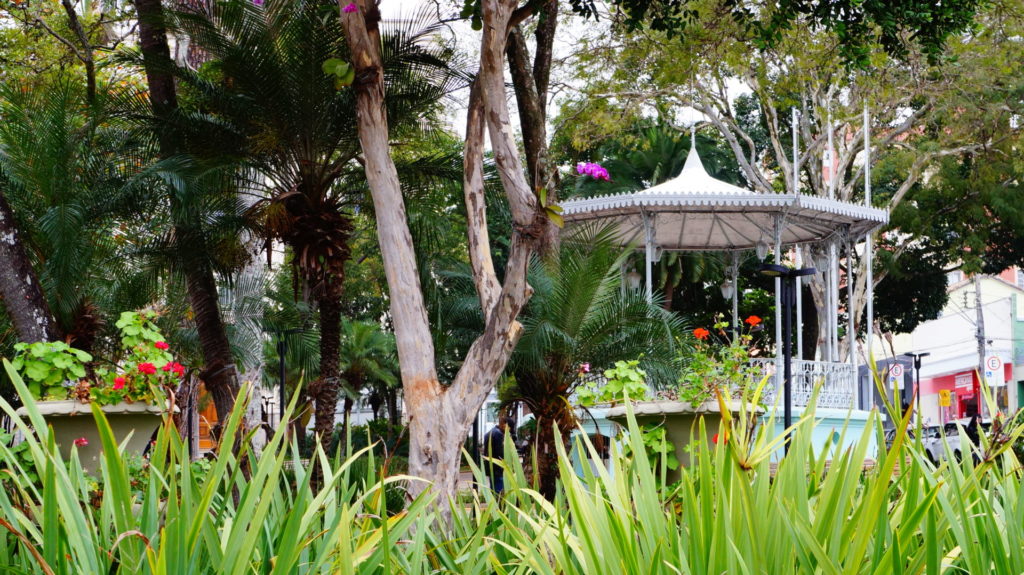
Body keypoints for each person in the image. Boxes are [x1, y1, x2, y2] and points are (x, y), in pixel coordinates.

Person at [482, 416, 511, 493]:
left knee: (493, 489)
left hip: (491, 467)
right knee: (499, 491)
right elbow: (500, 453)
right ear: (504, 425)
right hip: (498, 468)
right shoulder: (499, 434)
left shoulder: (489, 433)